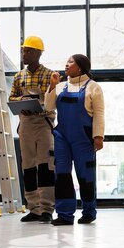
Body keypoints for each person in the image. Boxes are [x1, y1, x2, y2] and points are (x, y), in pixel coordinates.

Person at [45, 54, 105, 225]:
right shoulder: (60, 86)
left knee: (85, 176)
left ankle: (89, 211)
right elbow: (48, 107)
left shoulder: (93, 87)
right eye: (67, 61)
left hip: (83, 138)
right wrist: (52, 86)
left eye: (70, 62)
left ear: (80, 67)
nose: (66, 64)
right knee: (62, 175)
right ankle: (64, 214)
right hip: (62, 137)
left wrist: (98, 137)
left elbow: (99, 114)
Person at [9, 36, 55, 223]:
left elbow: (52, 100)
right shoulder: (19, 76)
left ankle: (46, 209)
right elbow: (12, 98)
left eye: (28, 51)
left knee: (45, 166)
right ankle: (33, 209)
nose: (24, 54)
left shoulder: (50, 75)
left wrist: (41, 100)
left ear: (38, 53)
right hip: (26, 123)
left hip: (44, 123)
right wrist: (22, 102)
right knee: (27, 166)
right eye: (23, 50)